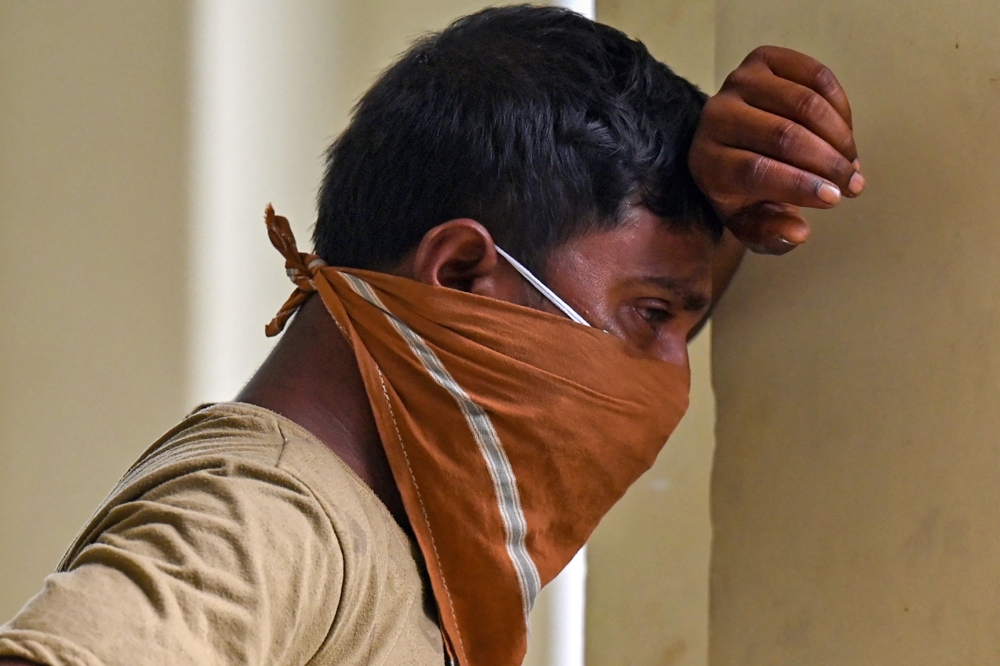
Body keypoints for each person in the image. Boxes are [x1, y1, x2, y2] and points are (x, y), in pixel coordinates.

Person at [0, 6, 862, 666]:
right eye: (652, 316)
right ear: (455, 274)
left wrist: (731, 182)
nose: (668, 374)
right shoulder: (268, 516)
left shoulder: (403, 522)